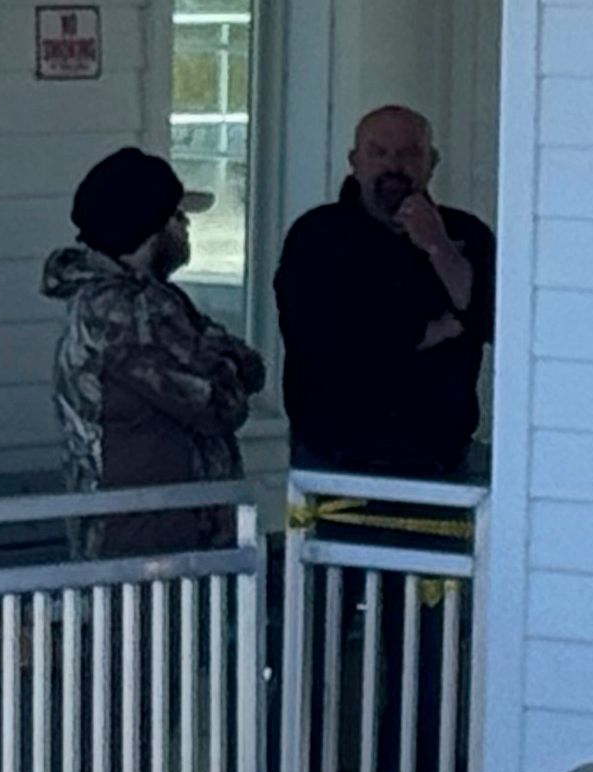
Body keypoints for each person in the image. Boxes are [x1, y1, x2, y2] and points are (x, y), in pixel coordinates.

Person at [43, 145, 259, 554]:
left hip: (152, 533)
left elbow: (248, 366)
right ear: (150, 228)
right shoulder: (129, 315)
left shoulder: (120, 303)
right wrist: (223, 357)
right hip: (151, 546)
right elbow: (219, 403)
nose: (187, 228)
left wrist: (221, 354)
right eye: (178, 217)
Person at [274, 105, 497, 483]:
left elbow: (493, 322)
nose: (394, 166)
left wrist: (438, 246)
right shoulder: (317, 236)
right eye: (379, 153)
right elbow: (325, 341)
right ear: (355, 161)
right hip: (334, 457)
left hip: (442, 458)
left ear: (432, 162)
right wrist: (436, 329)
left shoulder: (467, 233)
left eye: (410, 153)